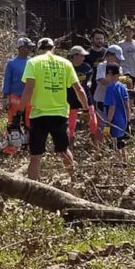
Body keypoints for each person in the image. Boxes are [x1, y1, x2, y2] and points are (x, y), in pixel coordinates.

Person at [15, 41, 88, 181]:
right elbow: (79, 89)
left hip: (39, 114)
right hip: (59, 114)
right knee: (64, 150)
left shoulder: (33, 63)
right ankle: (74, 181)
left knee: (36, 155)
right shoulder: (65, 63)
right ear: (53, 48)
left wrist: (20, 112)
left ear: (38, 49)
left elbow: (28, 90)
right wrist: (85, 109)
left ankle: (33, 189)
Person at [66, 45, 98, 148]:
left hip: (86, 95)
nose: (84, 58)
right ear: (74, 56)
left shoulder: (87, 67)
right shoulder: (67, 67)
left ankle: (95, 141)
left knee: (93, 118)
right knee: (71, 121)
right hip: (71, 96)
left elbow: (89, 80)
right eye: (81, 55)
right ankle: (70, 142)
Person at [2, 37, 34, 124]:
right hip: (15, 96)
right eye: (28, 47)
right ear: (21, 48)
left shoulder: (32, 62)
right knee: (13, 122)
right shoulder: (11, 63)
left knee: (30, 122)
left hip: (29, 97)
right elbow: (7, 80)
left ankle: (29, 137)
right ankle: (12, 136)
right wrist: (5, 98)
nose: (30, 49)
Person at [103, 64, 130, 163]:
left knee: (115, 145)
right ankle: (125, 162)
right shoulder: (122, 86)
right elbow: (127, 106)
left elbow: (112, 106)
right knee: (122, 144)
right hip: (123, 121)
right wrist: (128, 121)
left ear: (109, 73)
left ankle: (119, 165)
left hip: (114, 121)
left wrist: (107, 124)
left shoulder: (110, 88)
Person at [93, 44, 124, 130]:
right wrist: (116, 80)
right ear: (109, 56)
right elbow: (101, 80)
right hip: (102, 99)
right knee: (102, 124)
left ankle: (112, 142)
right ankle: (100, 143)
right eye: (116, 57)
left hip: (114, 101)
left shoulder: (119, 68)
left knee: (114, 124)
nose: (118, 60)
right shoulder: (102, 66)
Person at [87, 28, 108, 95]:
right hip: (91, 85)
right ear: (92, 39)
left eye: (101, 39)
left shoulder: (108, 52)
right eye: (97, 39)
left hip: (105, 84)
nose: (100, 41)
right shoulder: (87, 54)